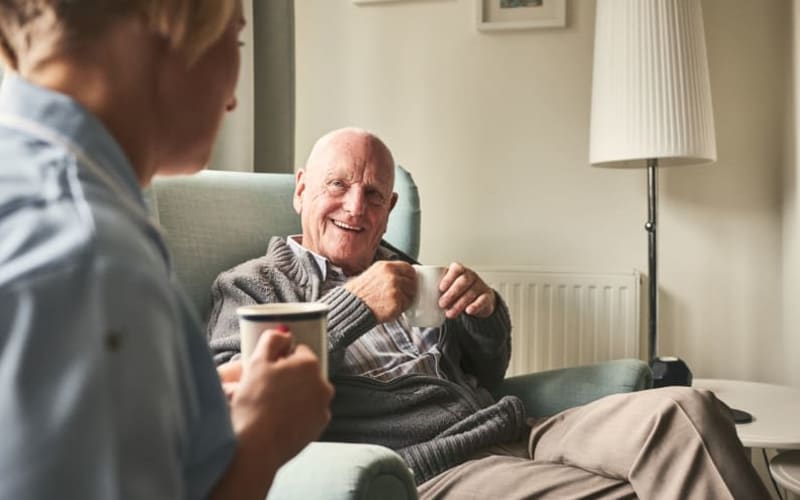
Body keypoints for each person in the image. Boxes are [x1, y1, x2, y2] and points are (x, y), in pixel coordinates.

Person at [207, 126, 770, 499]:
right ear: (301, 190)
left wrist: (483, 314)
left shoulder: (409, 273)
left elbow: (487, 371)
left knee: (686, 411)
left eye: (375, 195)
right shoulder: (252, 284)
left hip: (516, 425)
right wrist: (356, 304)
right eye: (338, 185)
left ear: (389, 211)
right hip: (434, 467)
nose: (357, 207)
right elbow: (234, 398)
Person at [0, 2, 333, 499]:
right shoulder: (95, 267)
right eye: (235, 40)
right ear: (167, 22)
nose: (234, 101)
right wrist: (265, 438)